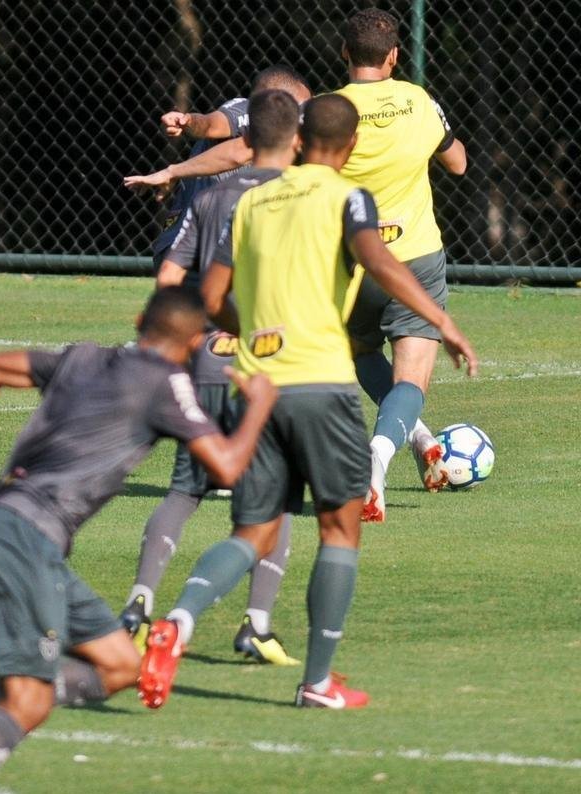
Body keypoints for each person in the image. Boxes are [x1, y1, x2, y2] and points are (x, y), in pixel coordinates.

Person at [137, 94, 477, 712]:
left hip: (255, 386)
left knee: (254, 529)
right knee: (339, 528)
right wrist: (441, 321)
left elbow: (211, 296)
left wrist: (256, 332)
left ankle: (178, 622)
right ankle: (317, 683)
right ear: (349, 147)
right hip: (321, 383)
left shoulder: (254, 200)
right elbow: (378, 259)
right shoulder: (348, 197)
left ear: (298, 141)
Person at [0, 287, 277, 794]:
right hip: (27, 538)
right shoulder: (167, 383)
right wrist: (259, 406)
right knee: (29, 703)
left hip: (16, 532)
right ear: (196, 342)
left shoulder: (84, 357)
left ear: (139, 320)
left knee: (122, 664)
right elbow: (228, 467)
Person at [120, 90, 305, 667]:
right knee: (277, 499)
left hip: (205, 356)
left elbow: (170, 276)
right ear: (296, 139)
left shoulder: (210, 197)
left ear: (244, 139)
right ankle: (257, 623)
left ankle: (138, 603)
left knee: (185, 489)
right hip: (266, 365)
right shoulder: (301, 196)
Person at [336, 7, 469, 521]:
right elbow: (457, 163)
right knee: (411, 380)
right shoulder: (419, 100)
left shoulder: (328, 110)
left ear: (345, 53)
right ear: (394, 55)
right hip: (416, 259)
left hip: (353, 264)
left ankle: (416, 436)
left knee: (358, 347)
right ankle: (383, 449)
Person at [128, 65, 312, 271]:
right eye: (299, 107)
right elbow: (211, 124)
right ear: (275, 99)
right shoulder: (247, 111)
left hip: (215, 253)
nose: (303, 116)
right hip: (191, 251)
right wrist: (187, 121)